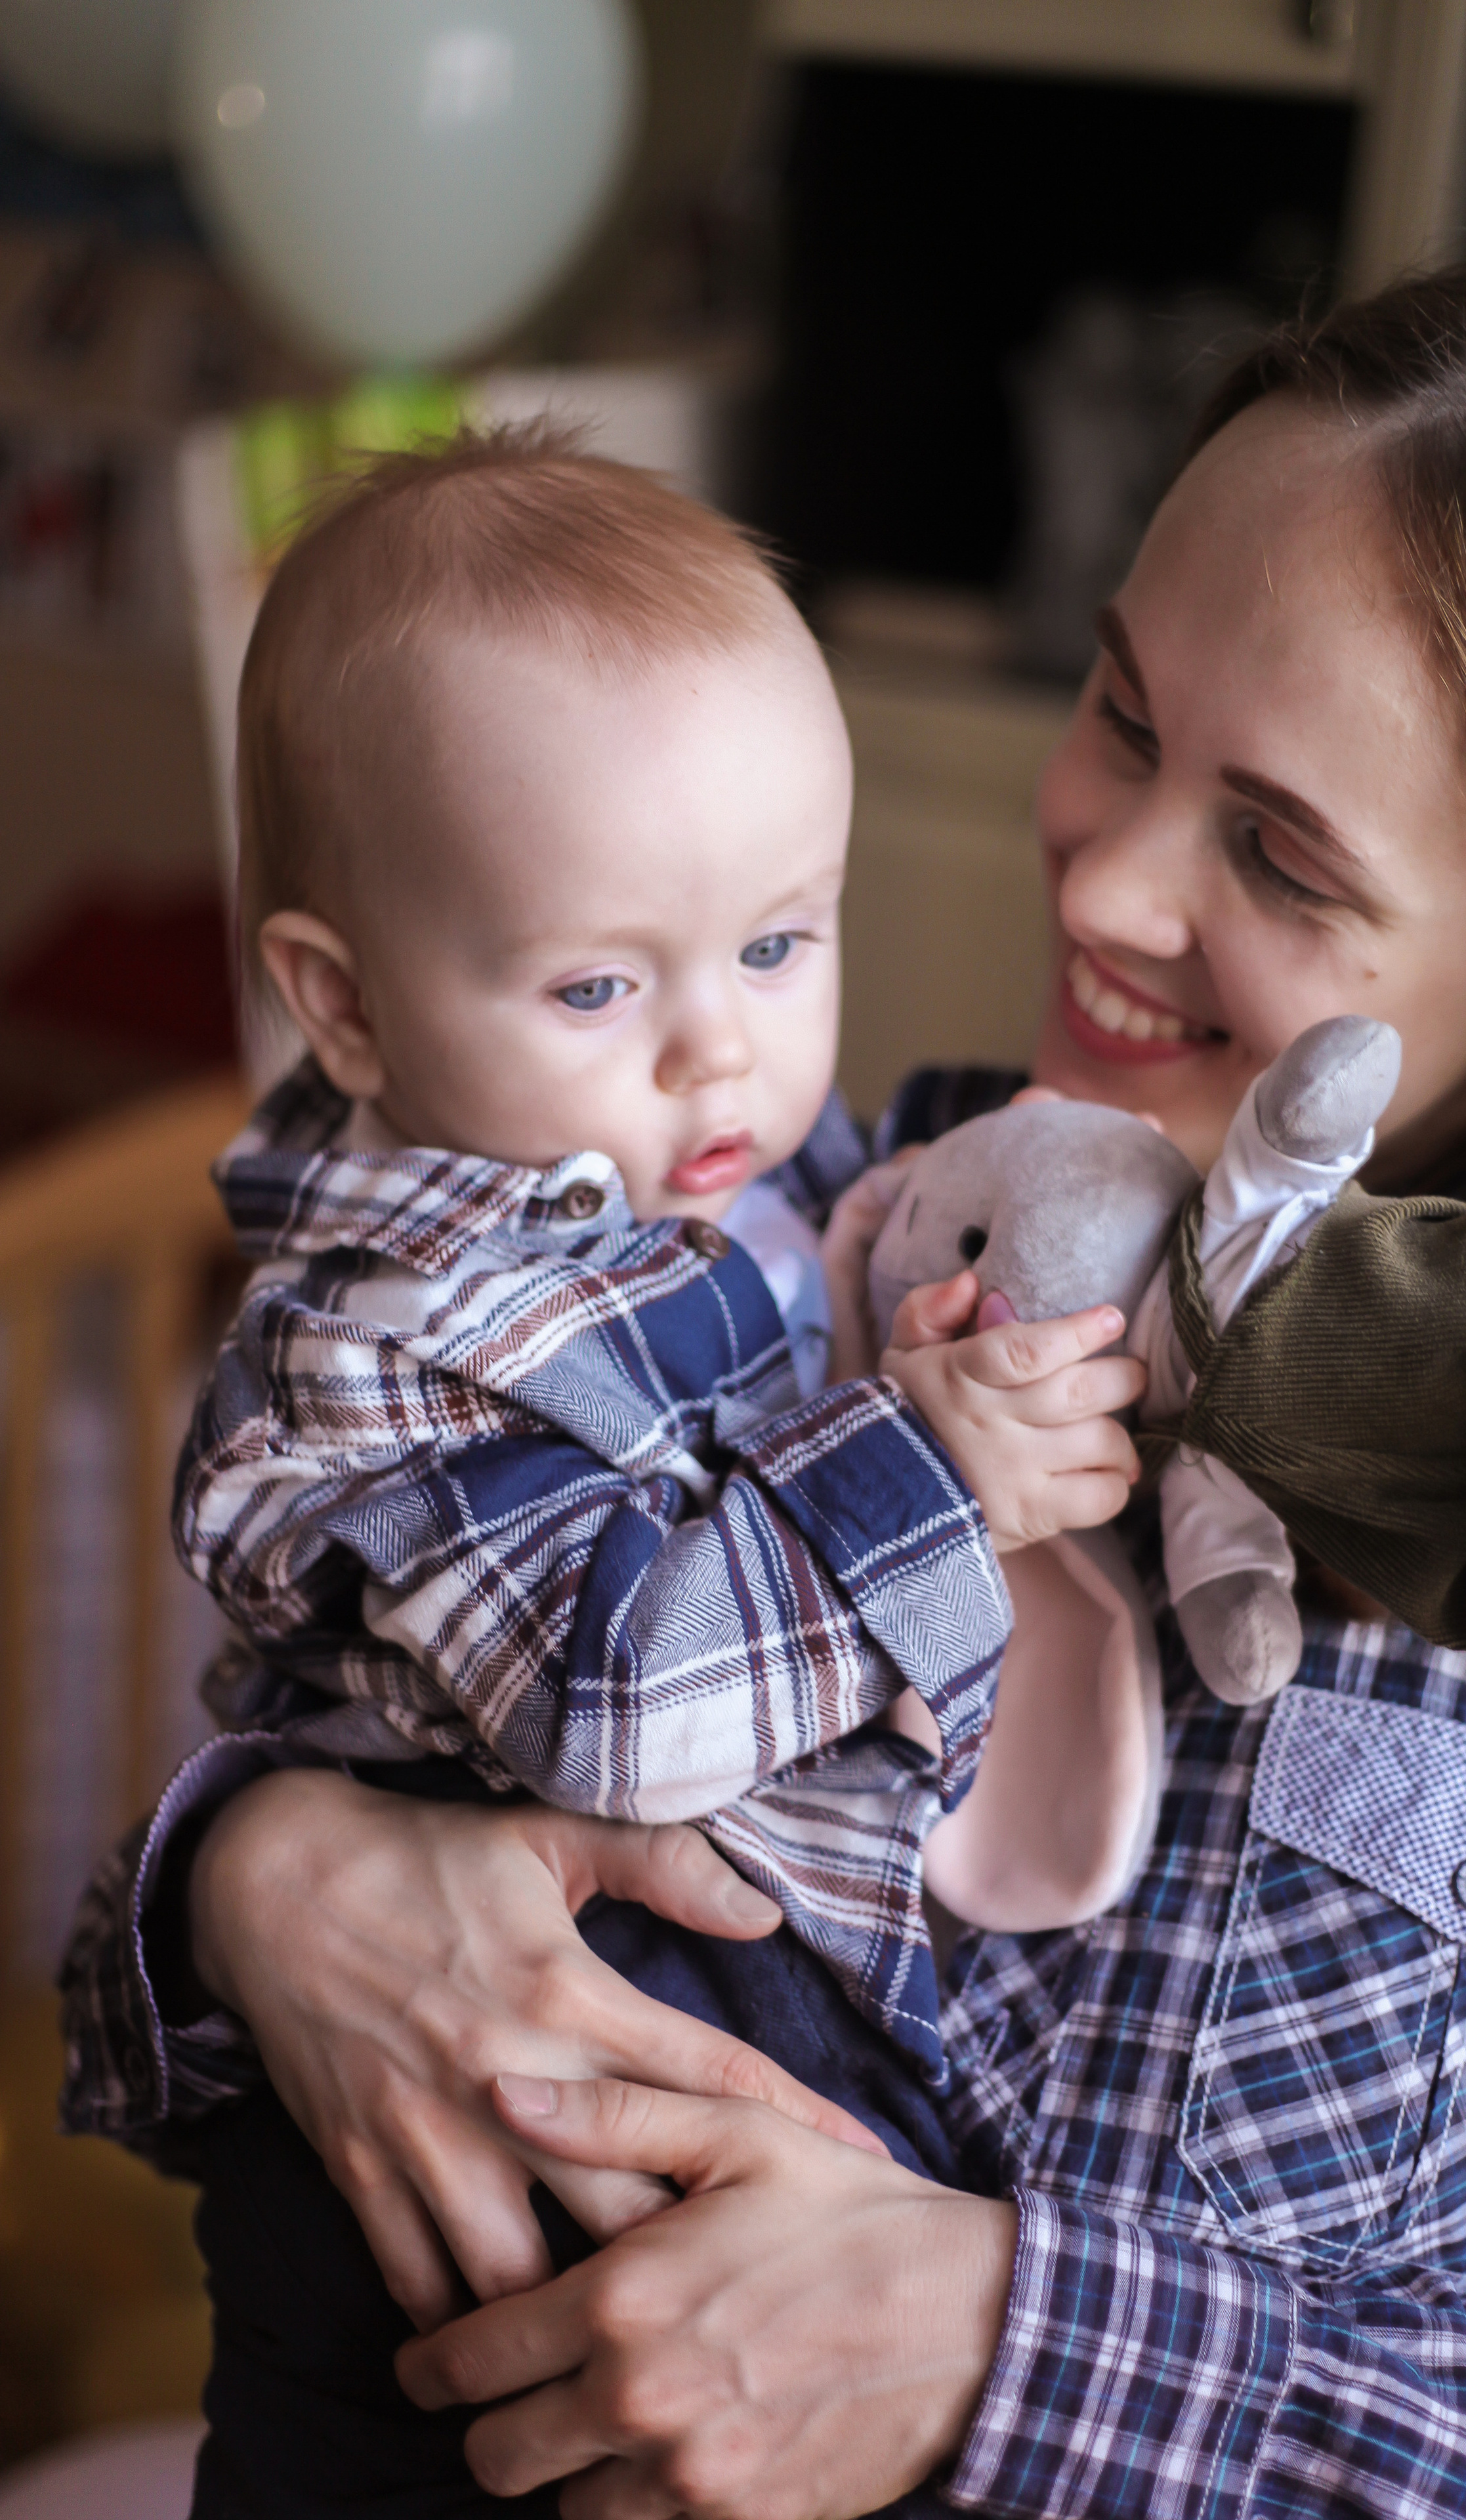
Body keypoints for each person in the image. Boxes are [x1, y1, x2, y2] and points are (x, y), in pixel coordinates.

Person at [60, 248, 1466, 2515]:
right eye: (1122, 712)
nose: (1101, 885)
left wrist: (1012, 2355)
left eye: (1277, 851)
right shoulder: (833, 1213)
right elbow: (293, 1760)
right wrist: (263, 1878)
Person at [118, 427, 1146, 2512]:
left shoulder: (760, 1174)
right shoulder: (378, 1349)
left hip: (740, 2123)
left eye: (779, 943)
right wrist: (927, 1472)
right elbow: (619, 1701)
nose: (718, 1050)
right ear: (344, 1005)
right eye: (599, 983)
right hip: (445, 2198)